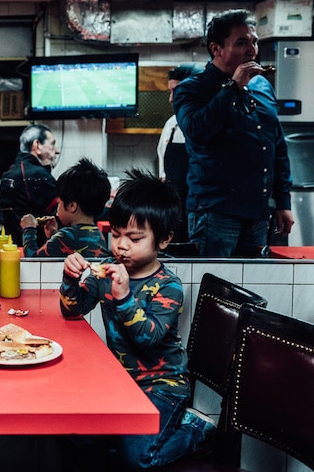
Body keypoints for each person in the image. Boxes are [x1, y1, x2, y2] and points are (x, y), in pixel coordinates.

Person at [60, 169, 215, 469]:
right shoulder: (107, 269)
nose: (121, 246)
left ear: (165, 238)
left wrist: (124, 296)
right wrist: (69, 278)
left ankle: (194, 430)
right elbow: (73, 310)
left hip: (163, 386)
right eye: (116, 234)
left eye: (134, 238)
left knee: (139, 458)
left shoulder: (169, 286)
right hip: (120, 383)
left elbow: (148, 337)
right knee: (76, 434)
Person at [173, 9, 294, 256]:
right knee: (213, 287)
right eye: (241, 43)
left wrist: (283, 202)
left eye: (254, 41)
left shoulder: (262, 85)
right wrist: (233, 87)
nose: (252, 51)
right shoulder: (192, 89)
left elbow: (276, 146)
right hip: (215, 211)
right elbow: (196, 131)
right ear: (216, 49)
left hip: (258, 213)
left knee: (252, 287)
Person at [20, 158, 110, 258]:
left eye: (59, 203)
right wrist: (53, 236)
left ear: (72, 206)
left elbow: (33, 260)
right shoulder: (98, 234)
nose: (57, 211)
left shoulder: (67, 235)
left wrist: (29, 229)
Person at [156, 63, 204, 243]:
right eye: (169, 92)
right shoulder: (172, 124)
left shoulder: (205, 122)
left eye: (175, 91)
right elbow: (163, 169)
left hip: (198, 208)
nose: (171, 99)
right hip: (174, 210)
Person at [0, 123, 59, 246]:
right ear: (37, 146)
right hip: (33, 245)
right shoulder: (36, 174)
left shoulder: (11, 171)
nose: (56, 151)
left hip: (13, 243)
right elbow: (65, 209)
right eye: (52, 144)